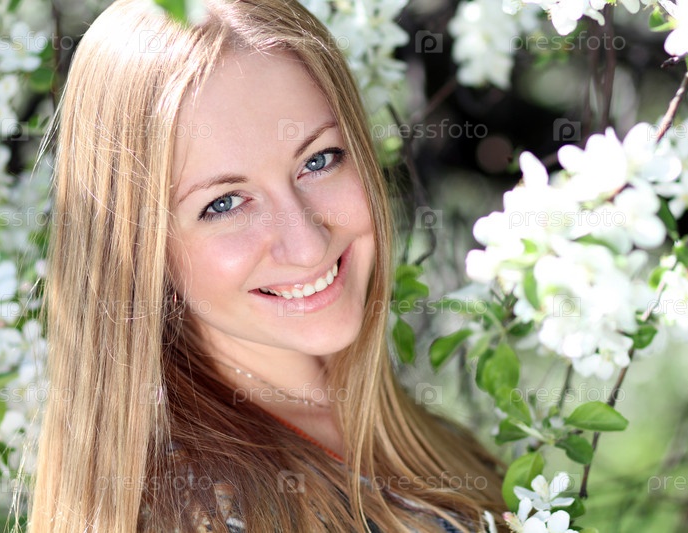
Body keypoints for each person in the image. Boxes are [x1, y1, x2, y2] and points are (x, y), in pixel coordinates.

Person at [29, 0, 506, 531]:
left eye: (318, 160)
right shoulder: (202, 514)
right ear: (140, 251)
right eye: (224, 203)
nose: (306, 245)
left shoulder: (407, 434)